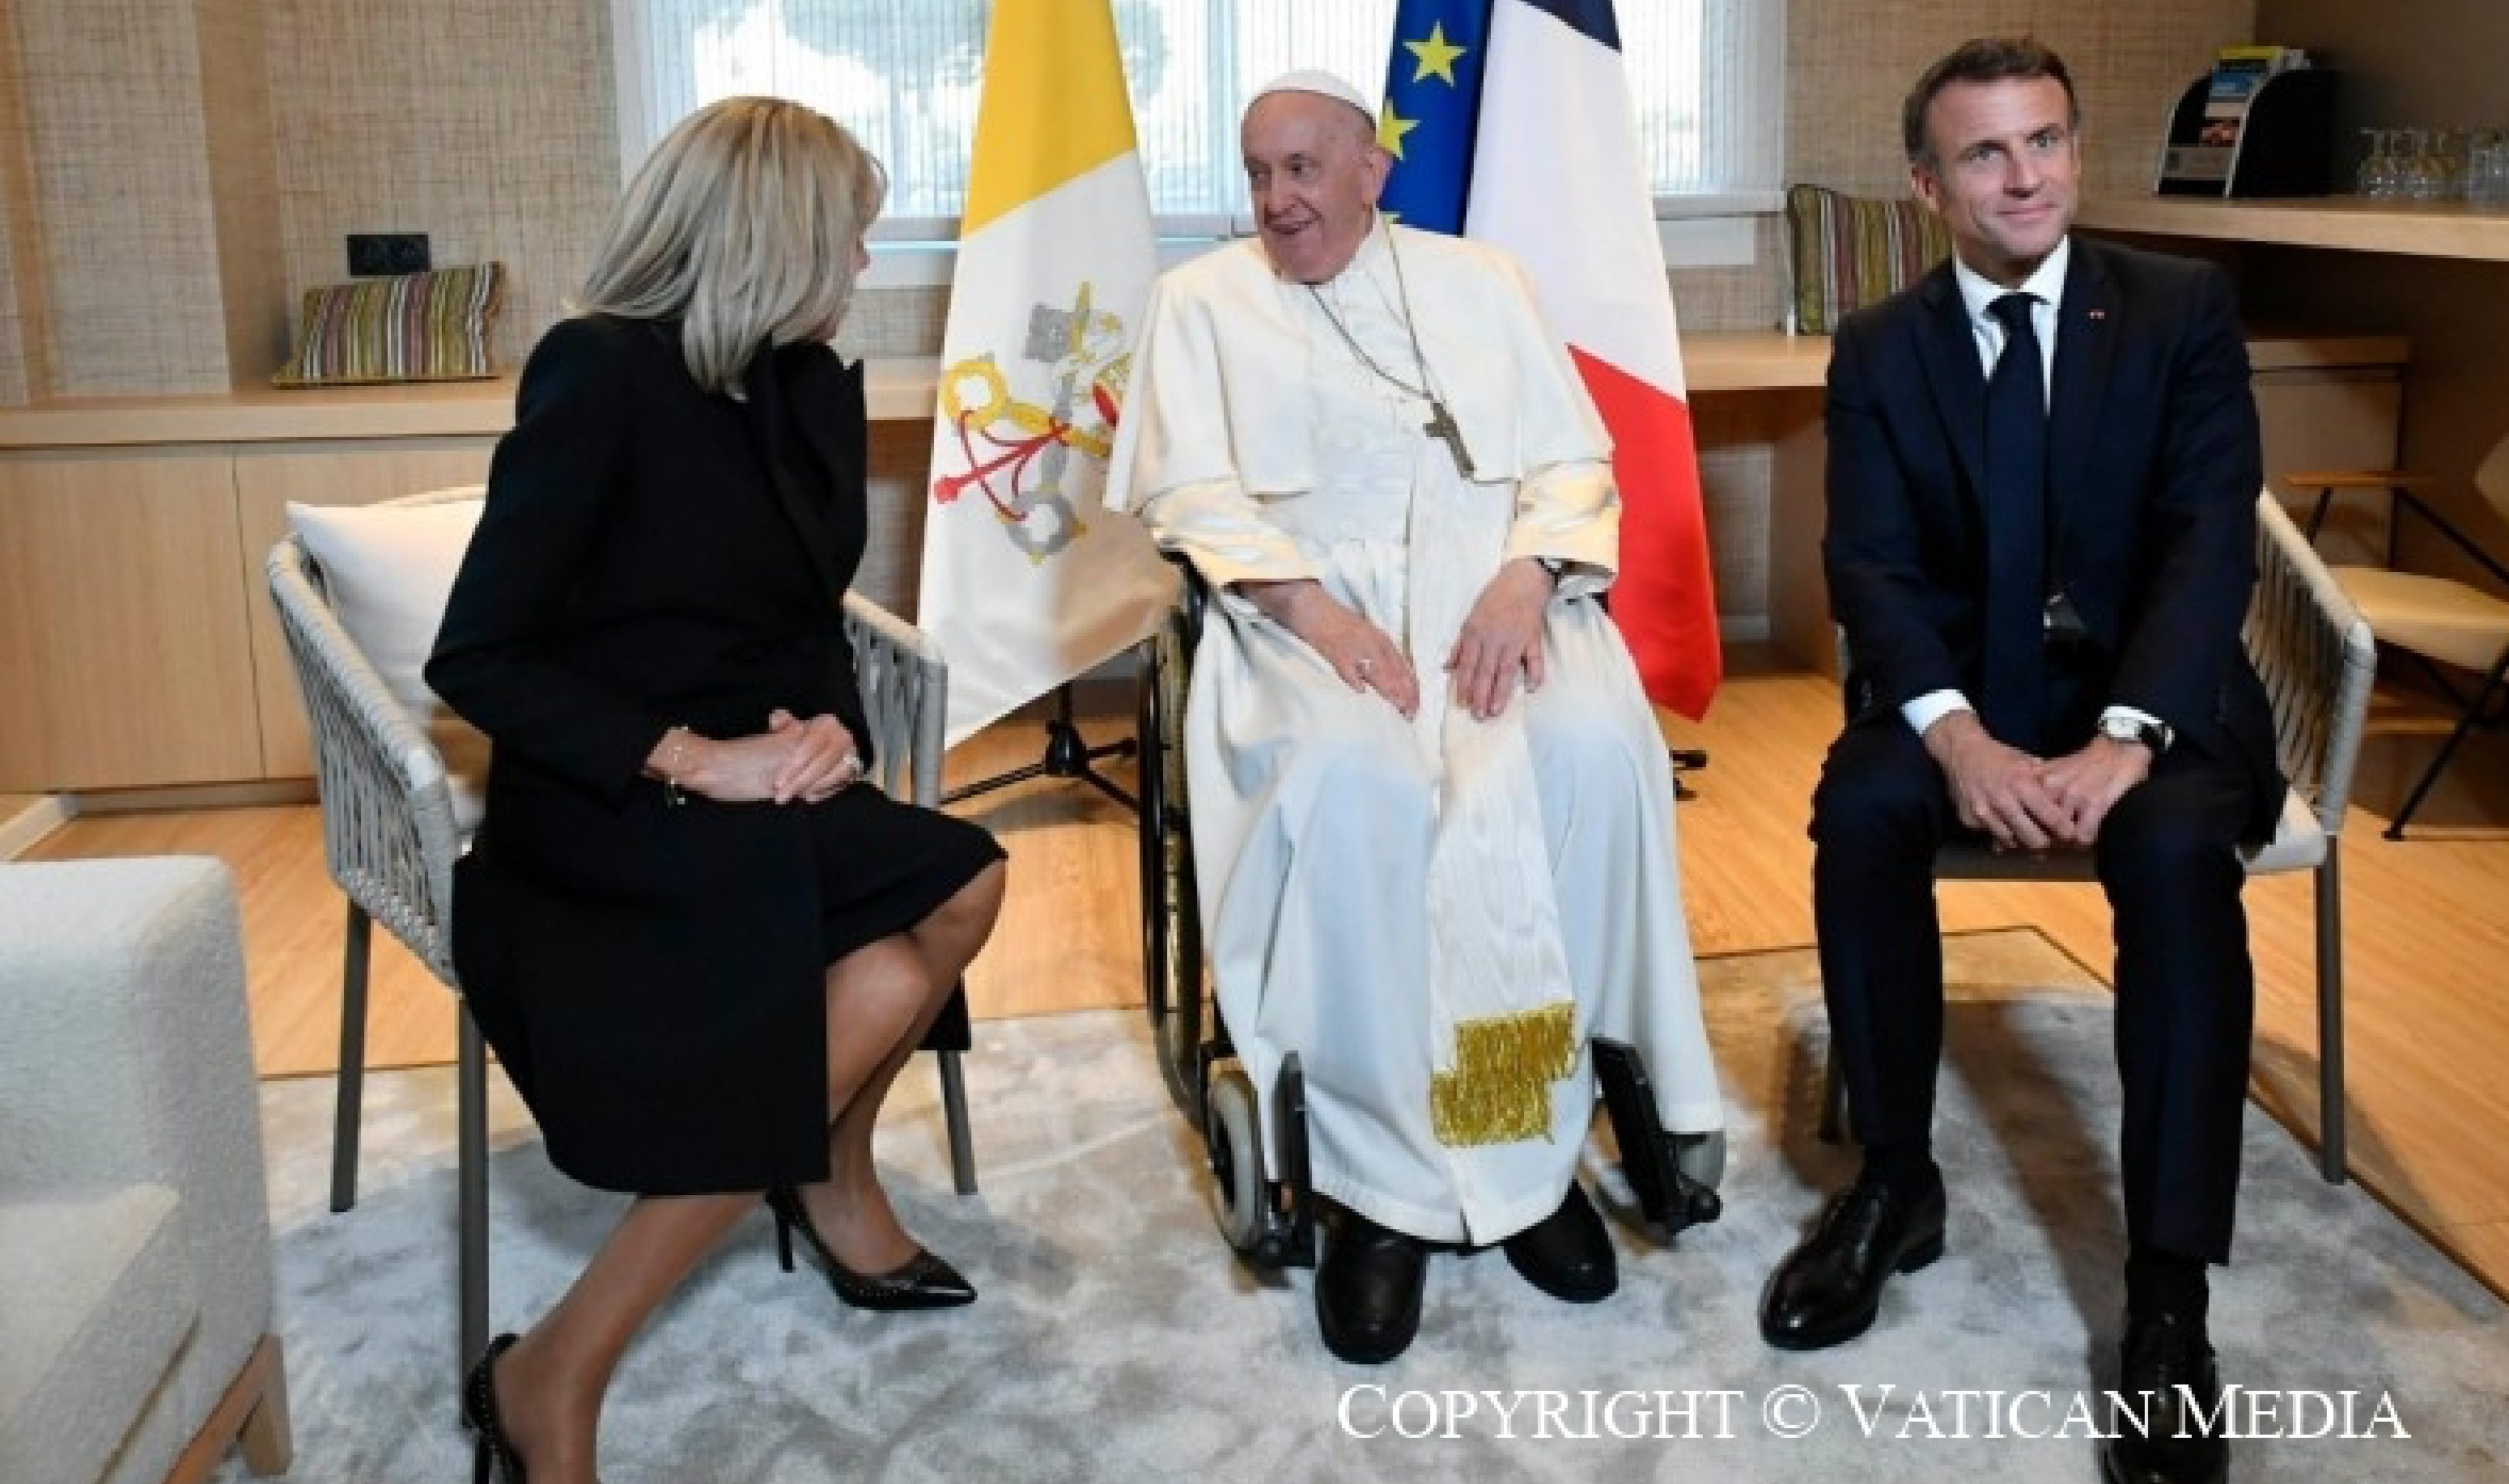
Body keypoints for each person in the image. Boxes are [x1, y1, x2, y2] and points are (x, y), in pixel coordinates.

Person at [427, 97, 1008, 1484]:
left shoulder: (789, 381)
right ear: (770, 237)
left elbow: (806, 618)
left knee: (962, 880)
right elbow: (479, 657)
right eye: (849, 235)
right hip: (612, 803)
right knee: (864, 969)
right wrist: (697, 757)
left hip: (761, 779)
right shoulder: (597, 376)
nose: (861, 263)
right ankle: (556, 1368)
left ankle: (825, 1172)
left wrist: (828, 730)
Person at [1106, 71, 1722, 1365]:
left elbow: (1571, 460)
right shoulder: (1198, 302)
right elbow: (1190, 497)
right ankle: (1375, 1181)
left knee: (1584, 751)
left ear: (1370, 169)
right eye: (1257, 172)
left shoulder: (1481, 280)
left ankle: (1527, 1148)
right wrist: (1317, 615)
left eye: (1302, 168)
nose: (1276, 199)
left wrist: (1525, 577)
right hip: (1300, 611)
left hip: (1493, 595)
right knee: (1362, 786)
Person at [1756, 38, 2282, 1484]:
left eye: (2043, 140)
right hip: (1964, 693)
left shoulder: (2178, 308)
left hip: (2148, 697)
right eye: (1984, 153)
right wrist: (1953, 733)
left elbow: (2208, 541)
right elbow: (1867, 564)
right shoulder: (1880, 345)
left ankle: (2166, 1290)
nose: (2024, 175)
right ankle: (1894, 1182)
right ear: (1928, 187)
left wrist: (2126, 732)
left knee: (2172, 850)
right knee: (1862, 808)